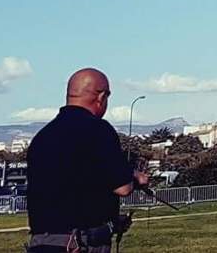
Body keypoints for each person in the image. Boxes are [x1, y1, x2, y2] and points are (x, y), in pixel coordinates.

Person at [25, 68, 147, 253]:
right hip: (79, 245)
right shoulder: (98, 130)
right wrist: (135, 177)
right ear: (102, 97)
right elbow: (123, 188)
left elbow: (74, 184)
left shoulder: (42, 137)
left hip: (41, 242)